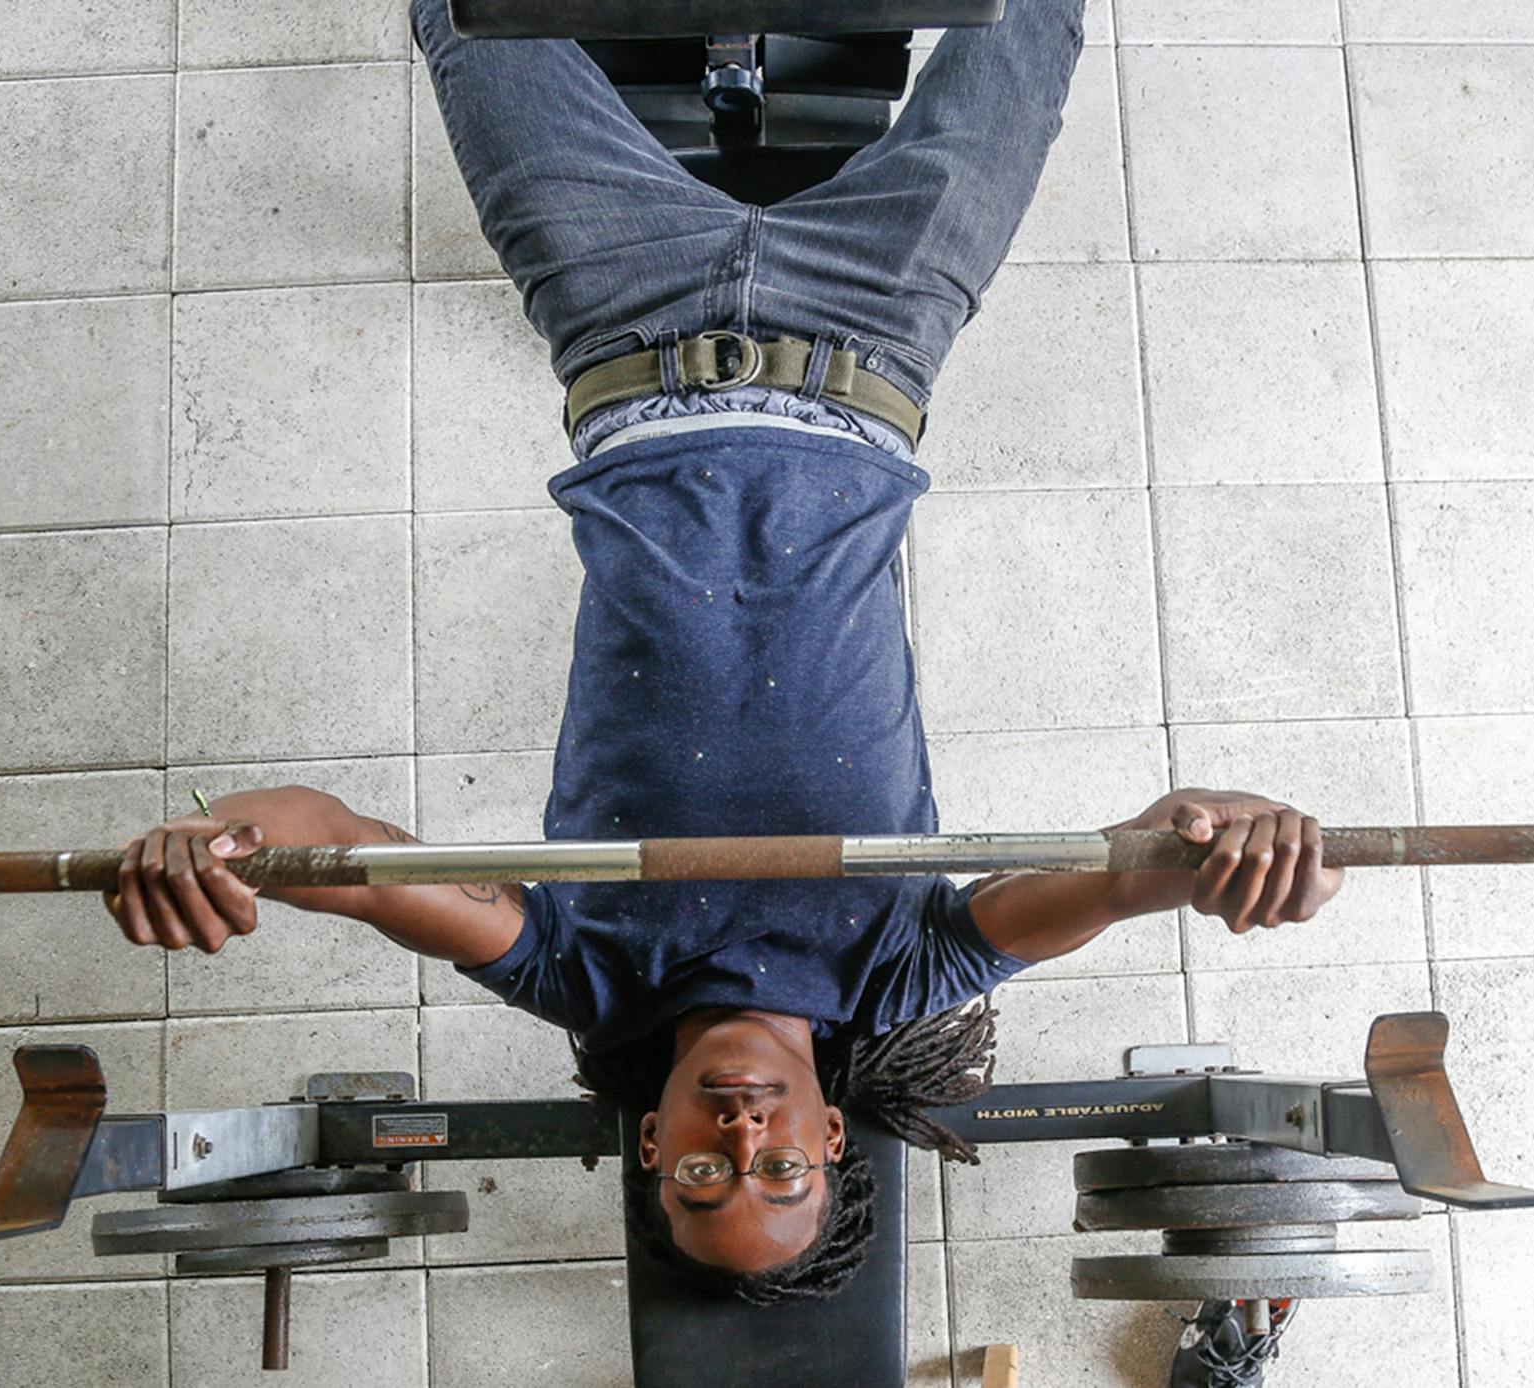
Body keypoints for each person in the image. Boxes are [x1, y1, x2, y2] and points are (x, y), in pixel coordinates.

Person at [103, 0, 1347, 1305]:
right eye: (779, 1175)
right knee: (1036, 17)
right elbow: (1137, 865)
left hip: (621, 321)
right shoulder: (903, 969)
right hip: (875, 323)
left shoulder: (577, 968)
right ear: (828, 1142)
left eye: (702, 1179)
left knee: (459, 13)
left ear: (651, 1147)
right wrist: (1243, 847)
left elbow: (337, 855)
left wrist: (216, 838)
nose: (739, 1142)